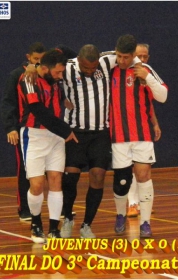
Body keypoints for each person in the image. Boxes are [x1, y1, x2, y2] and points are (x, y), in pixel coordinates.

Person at [110, 34, 168, 238]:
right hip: (118, 136)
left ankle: (145, 222)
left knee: (144, 176)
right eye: (119, 56)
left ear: (134, 55)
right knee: (122, 181)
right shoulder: (109, 67)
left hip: (142, 135)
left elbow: (163, 96)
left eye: (126, 57)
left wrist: (147, 77)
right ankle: (119, 214)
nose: (122, 61)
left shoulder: (146, 70)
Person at [17, 49, 78, 243]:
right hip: (34, 136)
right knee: (36, 185)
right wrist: (66, 131)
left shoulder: (54, 79)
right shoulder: (28, 79)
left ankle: (54, 228)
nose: (61, 76)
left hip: (55, 138)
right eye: (58, 72)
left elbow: (68, 51)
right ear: (44, 68)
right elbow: (38, 110)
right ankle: (36, 224)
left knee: (55, 181)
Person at [60, 45, 118, 239]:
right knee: (70, 178)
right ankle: (67, 217)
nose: (90, 72)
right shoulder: (67, 67)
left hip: (100, 133)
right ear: (78, 60)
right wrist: (32, 66)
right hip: (75, 133)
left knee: (98, 176)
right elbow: (46, 66)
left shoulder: (106, 61)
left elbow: (128, 52)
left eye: (93, 69)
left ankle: (87, 224)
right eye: (86, 68)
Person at [0, 42, 47, 221]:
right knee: (25, 171)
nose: (39, 63)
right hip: (24, 130)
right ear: (28, 58)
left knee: (52, 172)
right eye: (36, 59)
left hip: (47, 131)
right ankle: (24, 210)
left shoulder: (47, 74)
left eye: (42, 60)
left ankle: (61, 209)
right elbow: (8, 103)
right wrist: (11, 128)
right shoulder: (16, 75)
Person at [127, 43, 161, 217]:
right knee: (131, 168)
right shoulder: (122, 71)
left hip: (143, 129)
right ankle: (132, 203)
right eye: (139, 56)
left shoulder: (147, 74)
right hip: (124, 130)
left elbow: (149, 102)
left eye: (145, 57)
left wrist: (154, 123)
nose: (142, 60)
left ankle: (143, 203)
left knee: (144, 169)